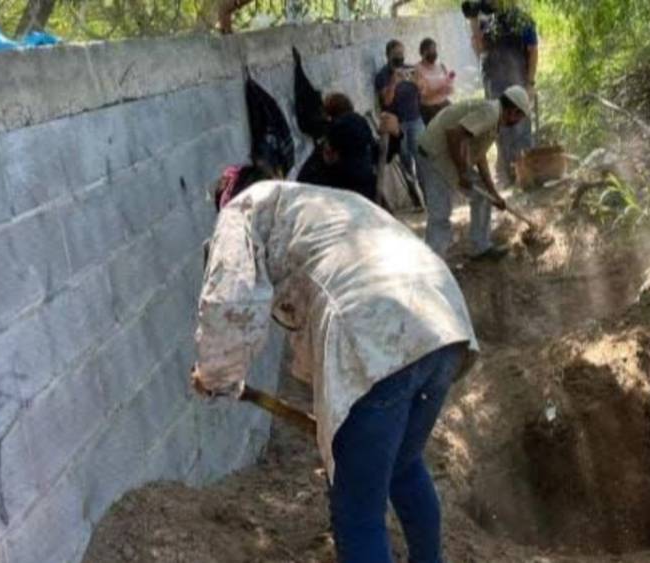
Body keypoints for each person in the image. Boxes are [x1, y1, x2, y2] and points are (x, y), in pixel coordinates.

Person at [192, 177, 479, 563]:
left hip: (376, 335)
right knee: (403, 464)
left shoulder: (239, 210)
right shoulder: (323, 203)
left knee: (358, 516)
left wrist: (215, 375)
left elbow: (230, 298)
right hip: (443, 322)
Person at [416, 85, 530, 259]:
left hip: (448, 154)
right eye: (520, 116)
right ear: (514, 111)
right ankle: (433, 263)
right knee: (440, 214)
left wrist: (493, 194)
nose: (519, 121)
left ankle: (481, 247)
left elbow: (479, 156)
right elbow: (454, 135)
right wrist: (462, 173)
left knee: (483, 196)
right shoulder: (490, 113)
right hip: (434, 154)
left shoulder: (495, 118)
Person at [462, 0, 538, 188]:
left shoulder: (523, 20)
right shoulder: (487, 24)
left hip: (518, 82)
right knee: (499, 130)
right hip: (494, 85)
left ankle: (526, 175)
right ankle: (509, 176)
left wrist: (530, 83)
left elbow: (533, 51)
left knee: (521, 129)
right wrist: (473, 21)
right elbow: (480, 51)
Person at [297, 92, 403, 204]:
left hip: (346, 204)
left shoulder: (332, 143)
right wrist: (396, 135)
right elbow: (381, 155)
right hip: (365, 203)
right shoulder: (360, 131)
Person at [375, 40, 426, 184]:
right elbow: (386, 101)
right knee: (405, 162)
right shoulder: (382, 76)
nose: (400, 57)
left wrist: (418, 82)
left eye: (401, 54)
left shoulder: (410, 69)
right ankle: (415, 196)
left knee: (422, 159)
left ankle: (427, 196)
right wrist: (393, 82)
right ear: (388, 55)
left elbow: (423, 91)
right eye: (396, 54)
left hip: (415, 120)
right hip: (398, 126)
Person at [416, 38, 455, 125]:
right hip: (429, 108)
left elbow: (450, 85)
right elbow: (421, 95)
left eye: (434, 49)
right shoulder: (417, 69)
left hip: (444, 103)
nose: (433, 52)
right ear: (423, 53)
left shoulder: (441, 66)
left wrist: (449, 88)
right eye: (430, 50)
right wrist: (438, 91)